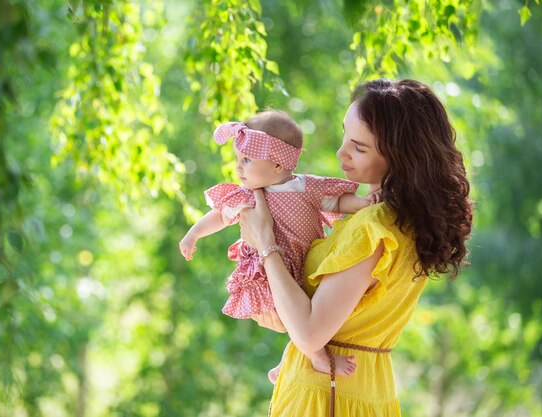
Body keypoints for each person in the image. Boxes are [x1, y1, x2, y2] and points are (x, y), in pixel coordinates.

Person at [239, 79, 473, 416]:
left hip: (326, 395)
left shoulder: (373, 227)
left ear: (401, 158)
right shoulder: (406, 223)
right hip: (369, 389)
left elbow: (309, 334)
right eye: (345, 135)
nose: (341, 153)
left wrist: (266, 244)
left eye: (359, 147)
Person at [179, 110, 379, 321]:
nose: (238, 167)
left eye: (246, 160)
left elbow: (337, 202)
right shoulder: (248, 197)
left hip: (310, 263)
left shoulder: (306, 187)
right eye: (238, 158)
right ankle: (317, 352)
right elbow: (220, 216)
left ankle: (318, 345)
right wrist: (193, 234)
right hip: (271, 271)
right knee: (285, 316)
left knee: (322, 310)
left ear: (278, 164)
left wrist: (362, 203)